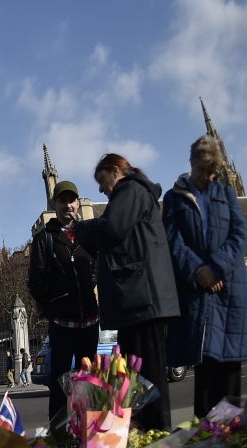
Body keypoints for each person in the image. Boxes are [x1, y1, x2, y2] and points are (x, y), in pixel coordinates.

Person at [73, 154, 179, 430]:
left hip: (144, 299)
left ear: (116, 171)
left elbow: (112, 228)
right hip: (136, 301)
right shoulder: (128, 194)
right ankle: (147, 431)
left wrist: (81, 228)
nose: (99, 189)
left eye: (101, 180)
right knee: (138, 377)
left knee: (150, 377)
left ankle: (158, 435)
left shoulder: (130, 189)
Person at [163, 135, 247, 418]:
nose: (208, 176)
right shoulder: (173, 198)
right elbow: (173, 241)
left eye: (212, 171)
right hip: (197, 291)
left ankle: (231, 441)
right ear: (192, 163)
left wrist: (215, 267)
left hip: (228, 290)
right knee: (205, 369)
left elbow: (240, 236)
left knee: (230, 371)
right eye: (203, 170)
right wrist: (198, 271)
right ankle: (204, 443)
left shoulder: (225, 194)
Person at [28, 180, 99, 422]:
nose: (68, 205)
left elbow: (97, 267)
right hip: (61, 321)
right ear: (54, 204)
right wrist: (52, 308)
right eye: (62, 201)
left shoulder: (88, 234)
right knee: (59, 382)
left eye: (72, 200)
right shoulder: (44, 238)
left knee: (88, 381)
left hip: (89, 319)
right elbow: (35, 282)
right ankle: (58, 437)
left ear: (77, 203)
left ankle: (89, 433)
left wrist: (89, 288)